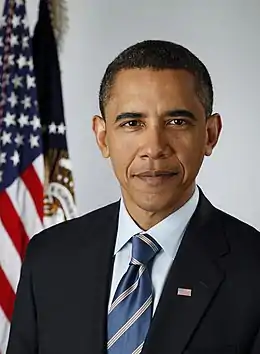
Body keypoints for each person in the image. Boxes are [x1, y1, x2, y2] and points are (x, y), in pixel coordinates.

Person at [7, 40, 260, 354]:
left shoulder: (253, 270)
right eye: (132, 123)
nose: (154, 147)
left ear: (210, 134)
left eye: (176, 122)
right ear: (102, 137)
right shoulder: (48, 258)